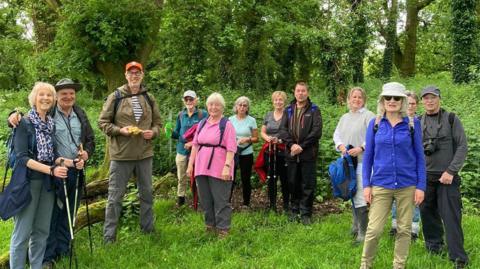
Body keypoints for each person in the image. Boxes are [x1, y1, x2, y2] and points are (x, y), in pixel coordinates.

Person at [7, 79, 95, 267]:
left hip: (47, 184)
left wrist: (72, 162)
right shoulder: (25, 123)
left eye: (49, 95)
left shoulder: (50, 124)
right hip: (28, 182)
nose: (46, 98)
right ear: (34, 98)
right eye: (42, 94)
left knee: (41, 231)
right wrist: (51, 170)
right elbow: (22, 158)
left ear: (52, 100)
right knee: (22, 233)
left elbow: (54, 155)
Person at [360, 82, 425, 269]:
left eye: (397, 98)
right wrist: (366, 185)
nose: (392, 101)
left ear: (403, 101)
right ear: (382, 100)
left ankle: (399, 265)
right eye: (388, 97)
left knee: (404, 230)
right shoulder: (375, 124)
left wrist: (420, 186)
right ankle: (365, 265)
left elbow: (420, 157)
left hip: (407, 185)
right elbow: (369, 157)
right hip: (381, 183)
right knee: (374, 229)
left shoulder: (413, 124)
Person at [98, 61, 162, 243]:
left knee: (147, 193)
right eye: (131, 73)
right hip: (121, 155)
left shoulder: (149, 97)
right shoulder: (116, 96)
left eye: (137, 73)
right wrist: (120, 130)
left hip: (144, 154)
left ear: (142, 75)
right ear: (126, 75)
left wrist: (154, 132)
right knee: (115, 196)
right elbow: (103, 123)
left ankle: (148, 230)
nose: (134, 76)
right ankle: (109, 237)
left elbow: (158, 123)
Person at [419, 86, 469, 268]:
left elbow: (462, 146)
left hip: (447, 177)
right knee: (427, 214)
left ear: (439, 99)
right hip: (425, 177)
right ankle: (434, 247)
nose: (429, 101)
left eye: (433, 98)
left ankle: (458, 257)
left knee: (451, 217)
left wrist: (451, 171)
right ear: (422, 101)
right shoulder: (418, 121)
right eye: (426, 98)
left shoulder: (451, 119)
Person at [186, 92, 236, 237]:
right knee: (205, 199)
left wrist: (227, 167)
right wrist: (190, 165)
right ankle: (210, 226)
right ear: (207, 106)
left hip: (220, 169)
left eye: (217, 105)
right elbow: (195, 145)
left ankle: (223, 229)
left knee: (221, 200)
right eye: (211, 104)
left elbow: (231, 148)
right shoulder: (202, 123)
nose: (213, 107)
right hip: (201, 168)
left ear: (222, 107)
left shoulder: (226, 125)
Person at [333, 87, 375, 243]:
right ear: (348, 99)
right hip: (347, 163)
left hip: (363, 162)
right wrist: (341, 146)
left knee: (360, 197)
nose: (356, 100)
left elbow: (374, 135)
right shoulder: (345, 117)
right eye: (353, 97)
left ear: (364, 100)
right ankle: (355, 226)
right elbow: (336, 134)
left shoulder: (368, 116)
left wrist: (361, 147)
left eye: (359, 97)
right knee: (352, 192)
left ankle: (363, 234)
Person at [278, 81, 322, 225]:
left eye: (303, 91)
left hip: (308, 153)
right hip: (291, 153)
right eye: (298, 90)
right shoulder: (288, 110)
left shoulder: (314, 109)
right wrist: (292, 145)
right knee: (292, 182)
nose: (300, 93)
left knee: (307, 184)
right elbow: (283, 130)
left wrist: (301, 146)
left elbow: (316, 132)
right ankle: (294, 210)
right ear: (294, 92)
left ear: (307, 92)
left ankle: (306, 213)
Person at [390, 91, 421, 241]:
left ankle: (413, 229)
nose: (410, 106)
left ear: (417, 106)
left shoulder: (417, 122)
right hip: (398, 167)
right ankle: (395, 225)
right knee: (396, 197)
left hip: (413, 166)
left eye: (413, 103)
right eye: (408, 103)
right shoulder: (396, 120)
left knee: (414, 198)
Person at [171, 90, 207, 206]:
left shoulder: (203, 114)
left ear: (196, 100)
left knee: (198, 176)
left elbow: (206, 133)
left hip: (198, 151)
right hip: (181, 150)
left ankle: (199, 200)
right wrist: (170, 133)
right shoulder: (181, 115)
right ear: (183, 101)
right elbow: (177, 132)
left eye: (191, 99)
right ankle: (181, 199)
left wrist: (193, 143)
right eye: (186, 99)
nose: (189, 101)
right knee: (181, 176)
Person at [260, 91, 289, 212]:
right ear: (273, 102)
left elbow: (291, 133)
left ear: (284, 101)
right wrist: (268, 138)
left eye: (280, 100)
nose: (278, 102)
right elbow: (262, 132)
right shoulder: (268, 115)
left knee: (284, 178)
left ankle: (287, 205)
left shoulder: (288, 115)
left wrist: (280, 140)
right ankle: (272, 205)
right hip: (270, 150)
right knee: (271, 177)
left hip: (283, 150)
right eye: (276, 100)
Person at [229, 96, 258, 208]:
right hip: (232, 153)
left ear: (247, 108)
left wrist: (247, 139)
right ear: (236, 106)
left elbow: (256, 138)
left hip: (246, 152)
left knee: (246, 179)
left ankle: (246, 203)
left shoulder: (251, 121)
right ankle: (227, 202)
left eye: (244, 105)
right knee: (231, 178)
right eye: (240, 105)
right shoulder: (230, 120)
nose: (242, 107)